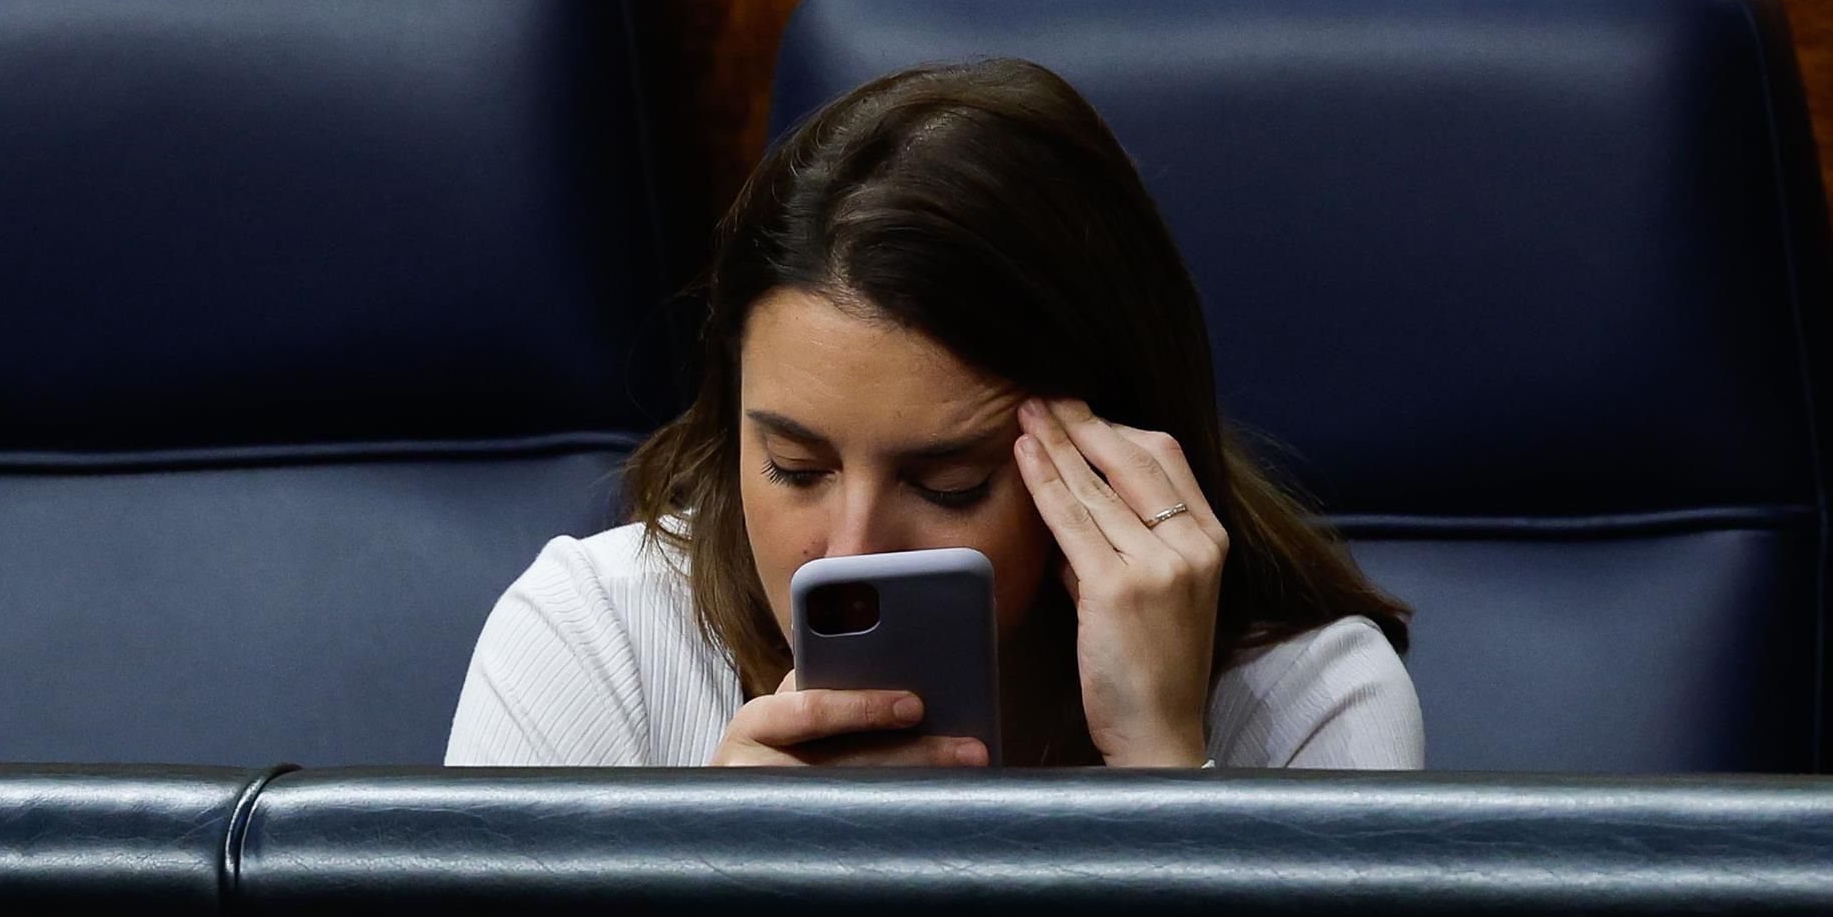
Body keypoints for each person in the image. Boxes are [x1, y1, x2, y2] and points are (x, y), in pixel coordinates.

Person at [445, 58, 1422, 770]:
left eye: (948, 484)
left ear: (1106, 455)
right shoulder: (594, 639)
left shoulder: (1310, 703)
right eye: (794, 466)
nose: (852, 550)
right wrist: (719, 882)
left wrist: (1162, 775)